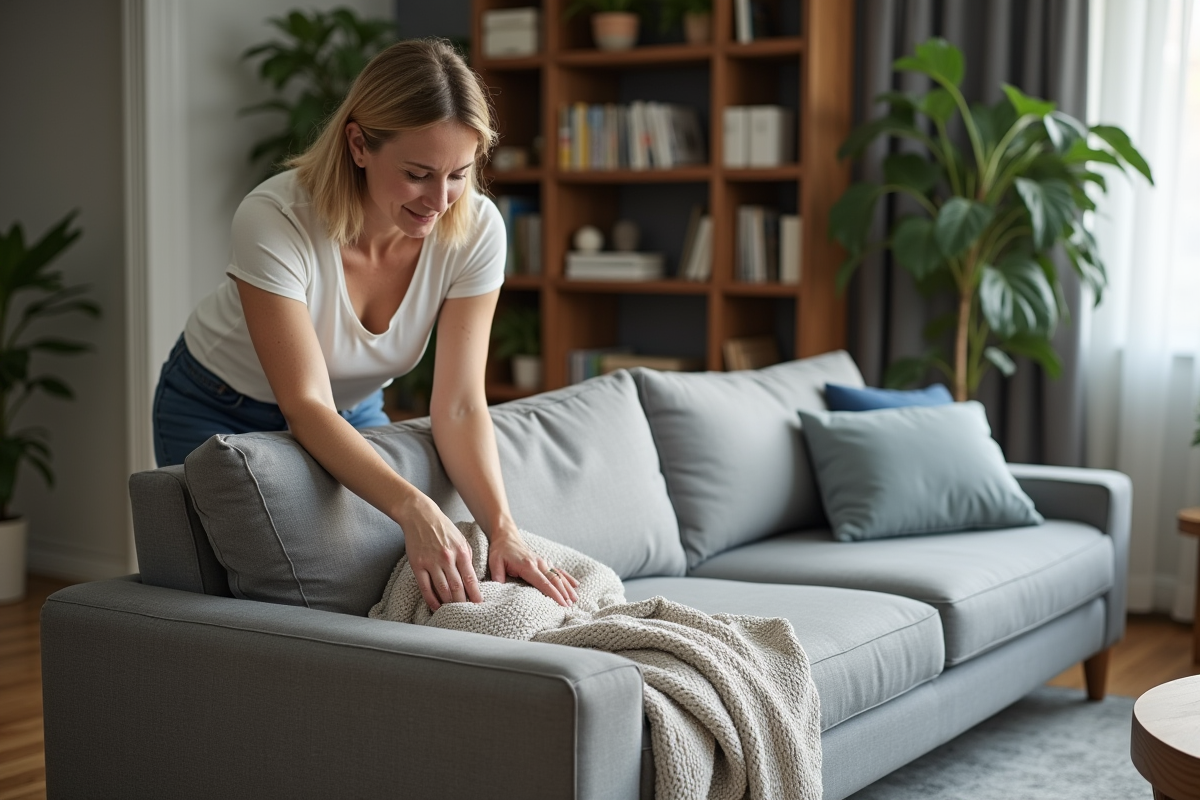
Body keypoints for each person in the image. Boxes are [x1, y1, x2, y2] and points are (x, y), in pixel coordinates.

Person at [152, 38, 577, 612]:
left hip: (350, 411)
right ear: (358, 144)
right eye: (418, 173)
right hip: (215, 405)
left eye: (458, 173)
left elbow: (458, 406)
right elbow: (304, 403)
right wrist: (413, 506)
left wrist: (504, 530)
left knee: (357, 594)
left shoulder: (476, 229)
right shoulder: (275, 218)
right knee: (220, 604)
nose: (440, 199)